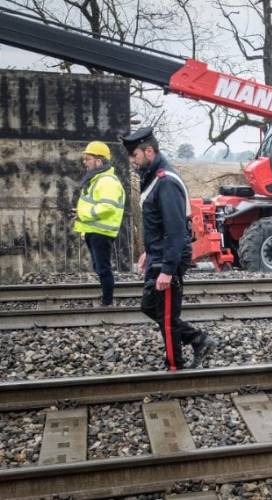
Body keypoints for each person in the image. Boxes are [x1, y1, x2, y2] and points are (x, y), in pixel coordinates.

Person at [120, 127, 218, 371]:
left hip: (169, 255)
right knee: (150, 306)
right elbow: (158, 223)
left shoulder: (165, 182)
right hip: (159, 252)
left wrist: (167, 269)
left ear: (149, 151)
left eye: (135, 155)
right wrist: (148, 251)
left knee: (165, 315)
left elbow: (175, 231)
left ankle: (174, 366)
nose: (132, 161)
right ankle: (197, 339)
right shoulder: (153, 177)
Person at [73, 141, 126, 306]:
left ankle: (107, 301)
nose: (84, 162)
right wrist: (82, 221)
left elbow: (107, 207)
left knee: (103, 268)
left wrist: (82, 214)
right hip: (94, 230)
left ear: (99, 161)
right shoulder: (98, 179)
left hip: (101, 232)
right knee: (100, 267)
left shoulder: (107, 181)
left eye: (88, 159)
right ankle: (106, 298)